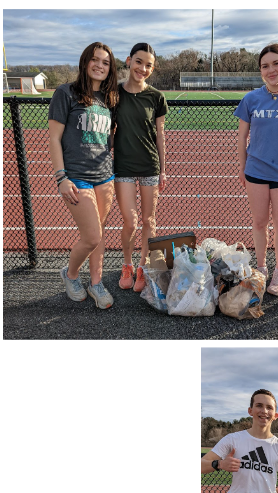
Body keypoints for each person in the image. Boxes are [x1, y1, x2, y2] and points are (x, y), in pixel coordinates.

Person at [49, 42, 119, 309]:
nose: (99, 65)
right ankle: (71, 274)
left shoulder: (110, 99)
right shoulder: (66, 93)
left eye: (105, 62)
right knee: (91, 236)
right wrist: (61, 177)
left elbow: (108, 140)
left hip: (105, 177)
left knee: (99, 234)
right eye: (95, 60)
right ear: (85, 62)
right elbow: (54, 139)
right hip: (76, 177)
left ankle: (97, 283)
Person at [234, 43, 278, 296]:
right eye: (265, 66)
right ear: (260, 71)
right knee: (259, 222)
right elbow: (242, 137)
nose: (271, 69)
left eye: (276, 63)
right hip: (255, 170)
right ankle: (262, 269)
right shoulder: (251, 98)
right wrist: (243, 168)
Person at [113, 43, 169, 294]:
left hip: (149, 165)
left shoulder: (156, 97)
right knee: (130, 222)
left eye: (148, 65)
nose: (142, 68)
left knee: (149, 220)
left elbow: (160, 135)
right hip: (123, 165)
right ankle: (127, 264)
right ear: (128, 61)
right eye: (138, 62)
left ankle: (143, 267)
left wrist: (163, 170)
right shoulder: (114, 94)